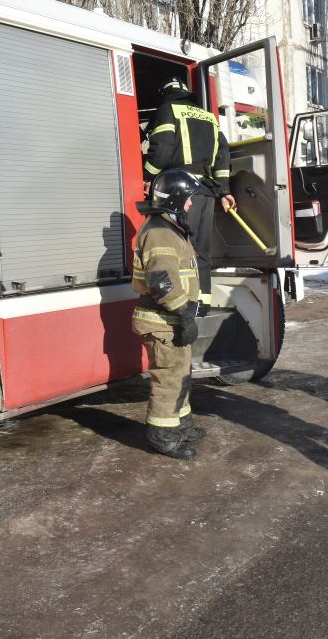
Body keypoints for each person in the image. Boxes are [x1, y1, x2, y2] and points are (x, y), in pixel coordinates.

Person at [144, 78, 234, 315]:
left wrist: (147, 176)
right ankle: (201, 304)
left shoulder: (167, 110)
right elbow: (223, 156)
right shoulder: (208, 117)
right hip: (205, 191)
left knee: (175, 248)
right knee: (200, 250)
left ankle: (181, 304)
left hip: (178, 188)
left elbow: (161, 150)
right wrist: (223, 190)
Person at [132, 169, 205, 460]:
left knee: (180, 375)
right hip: (163, 321)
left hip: (171, 319)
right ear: (175, 200)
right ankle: (163, 435)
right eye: (188, 199)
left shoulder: (170, 229)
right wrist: (185, 314)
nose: (190, 204)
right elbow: (161, 281)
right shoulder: (161, 232)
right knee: (169, 379)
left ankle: (180, 424)